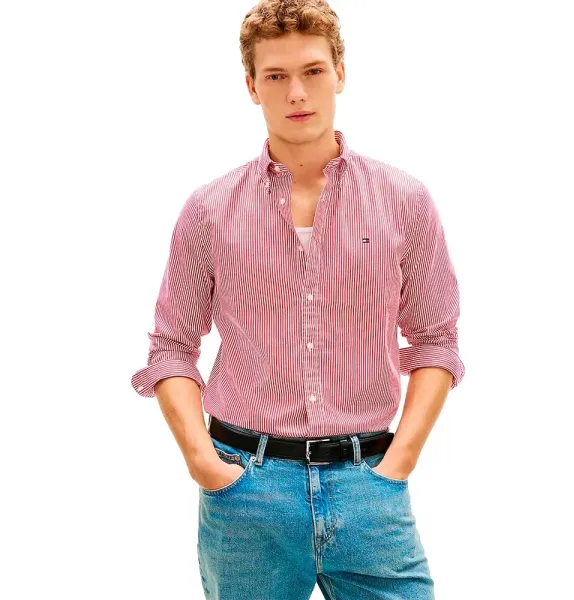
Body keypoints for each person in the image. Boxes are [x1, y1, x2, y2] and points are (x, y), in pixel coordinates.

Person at [131, 1, 465, 597]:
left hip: (371, 487)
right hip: (247, 489)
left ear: (340, 72)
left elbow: (436, 340)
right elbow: (172, 348)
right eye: (276, 76)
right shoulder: (210, 211)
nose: (297, 93)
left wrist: (401, 460)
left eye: (312, 71)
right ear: (251, 86)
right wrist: (204, 462)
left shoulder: (404, 202)